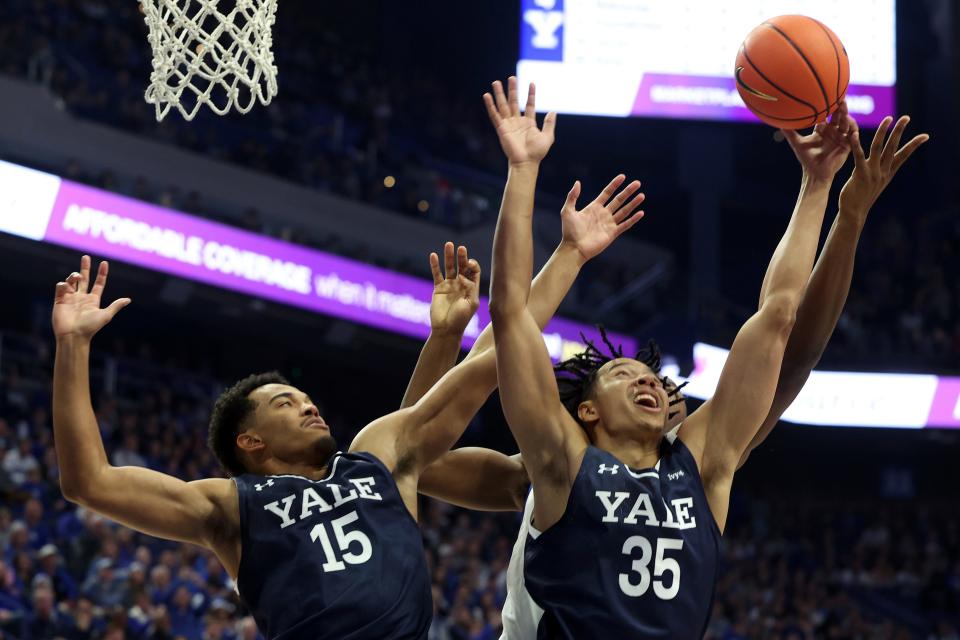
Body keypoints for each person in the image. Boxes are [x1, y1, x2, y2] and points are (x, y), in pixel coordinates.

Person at [416, 101, 930, 638]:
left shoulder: (702, 465)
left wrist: (820, 188)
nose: (647, 380)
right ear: (585, 410)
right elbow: (415, 447)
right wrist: (524, 178)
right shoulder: (552, 465)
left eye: (653, 379)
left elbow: (780, 320)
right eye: (622, 374)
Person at [52, 174, 645, 639]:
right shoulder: (229, 505)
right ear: (250, 442)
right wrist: (74, 346)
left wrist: (567, 253)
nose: (311, 408)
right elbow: (89, 481)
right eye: (286, 404)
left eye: (307, 399)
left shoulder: (374, 457)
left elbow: (497, 351)